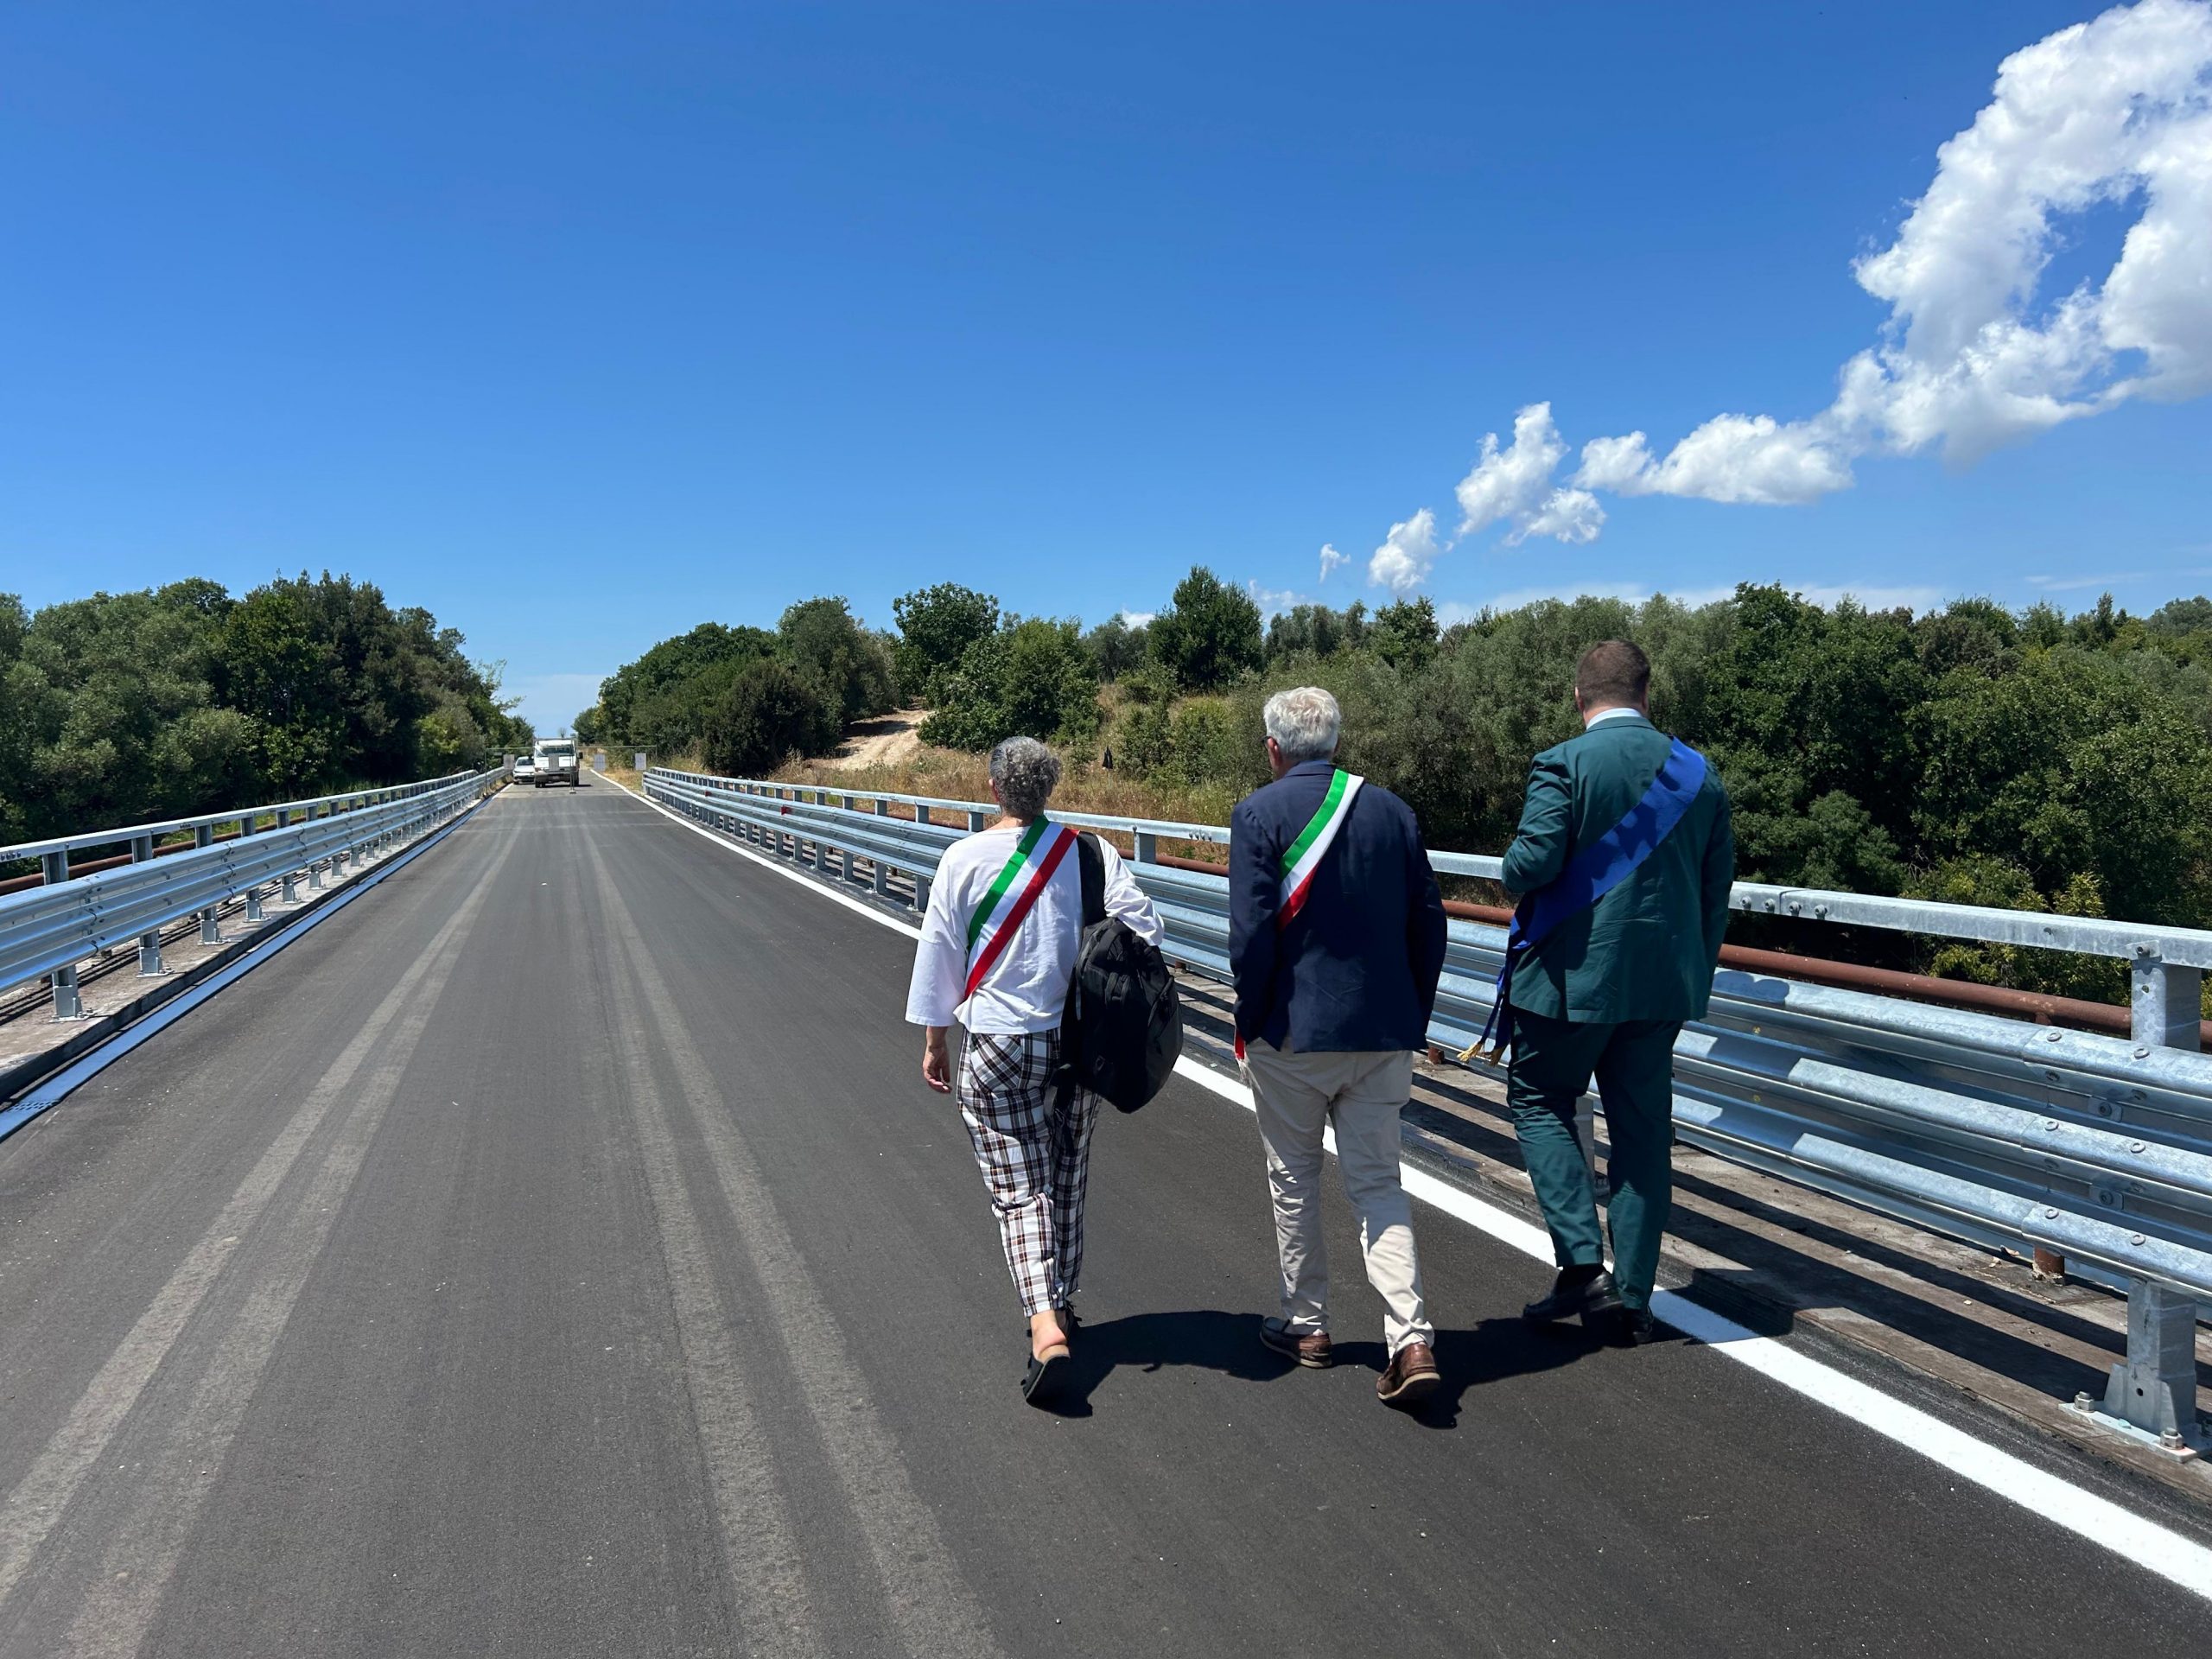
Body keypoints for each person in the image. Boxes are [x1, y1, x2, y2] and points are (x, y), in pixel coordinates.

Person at [906, 735, 1165, 1404]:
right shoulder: (1089, 852)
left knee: (1018, 1188)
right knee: (1067, 1169)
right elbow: (1147, 930)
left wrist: (937, 1041)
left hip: (997, 1041)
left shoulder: (963, 858)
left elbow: (939, 956)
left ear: (994, 789)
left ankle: (1045, 1325)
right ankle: (1062, 1297)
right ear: (1049, 789)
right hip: (1077, 1044)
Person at [1498, 640, 1733, 1344]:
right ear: (1646, 692)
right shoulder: (1701, 776)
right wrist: (1692, 975)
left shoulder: (1564, 764)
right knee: (1641, 1137)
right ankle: (1632, 1304)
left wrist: (1510, 869)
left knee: (1539, 1099)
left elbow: (1530, 864)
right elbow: (1714, 897)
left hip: (1572, 984)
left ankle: (1581, 1266)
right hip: (1662, 988)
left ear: (1580, 697)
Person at [1229, 687, 1449, 1408]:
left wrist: (1251, 1016)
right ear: (1335, 743)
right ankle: (1410, 1339)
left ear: (1273, 748)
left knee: (1293, 1180)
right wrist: (1411, 1013)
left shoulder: (1259, 813)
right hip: (1382, 1033)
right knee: (1378, 1184)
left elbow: (1253, 936)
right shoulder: (1393, 812)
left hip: (1293, 1032)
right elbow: (1430, 925)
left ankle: (1308, 1326)